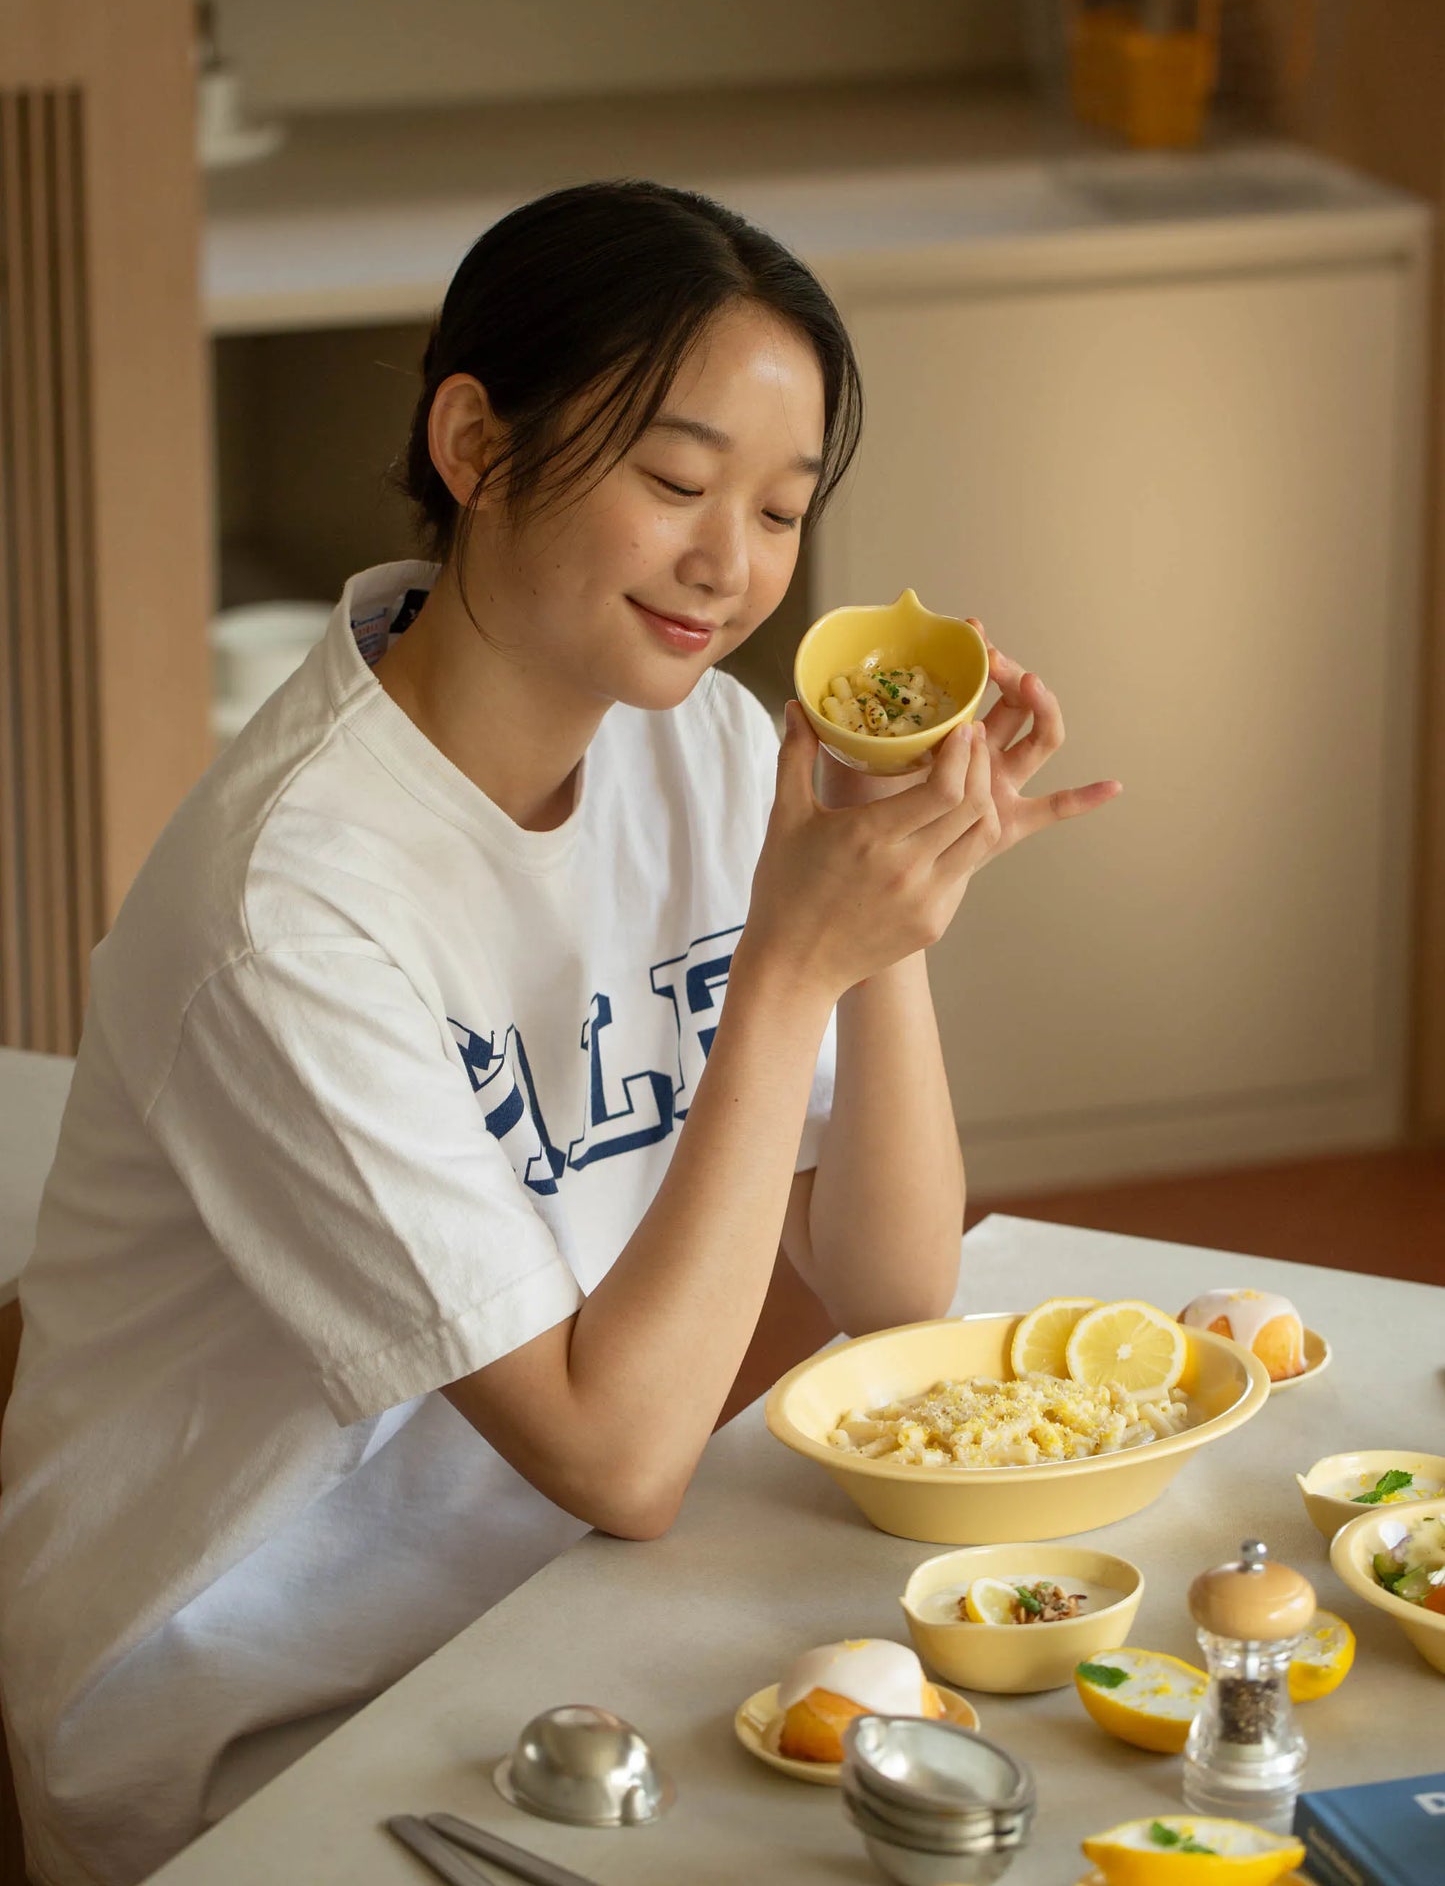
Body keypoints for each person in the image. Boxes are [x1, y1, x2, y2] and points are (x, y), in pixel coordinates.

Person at [0, 180, 1119, 1886]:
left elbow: (890, 1292)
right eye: (673, 484)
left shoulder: (709, 753)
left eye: (776, 509)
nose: (729, 567)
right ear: (471, 439)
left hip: (551, 1625)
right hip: (255, 1717)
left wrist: (883, 882)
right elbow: (621, 1455)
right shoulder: (287, 909)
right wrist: (791, 969)